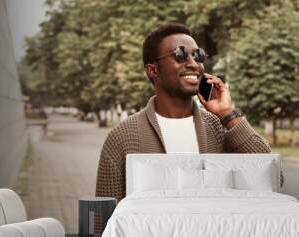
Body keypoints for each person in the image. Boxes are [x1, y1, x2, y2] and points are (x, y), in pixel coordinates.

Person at [95, 23, 272, 202]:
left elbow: (271, 174)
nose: (194, 64)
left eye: (198, 55)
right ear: (153, 70)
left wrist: (228, 114)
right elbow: (102, 219)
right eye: (180, 55)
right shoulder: (123, 137)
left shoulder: (218, 128)